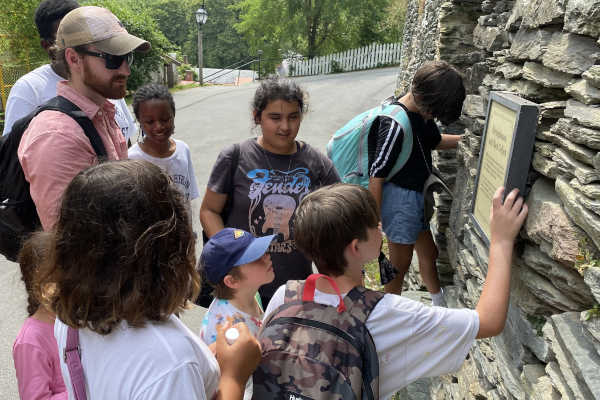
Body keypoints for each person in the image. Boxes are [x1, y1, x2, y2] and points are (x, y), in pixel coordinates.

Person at [263, 183, 528, 398]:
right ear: (356, 248)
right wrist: (501, 241)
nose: (381, 229)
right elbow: (489, 322)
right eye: (375, 226)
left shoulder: (284, 296)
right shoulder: (389, 314)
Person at [36, 159, 261, 399]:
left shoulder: (74, 315)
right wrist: (233, 378)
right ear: (170, 249)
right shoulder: (169, 363)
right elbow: (162, 371)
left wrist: (200, 359)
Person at [200, 77, 340, 307]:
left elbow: (341, 216)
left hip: (296, 290)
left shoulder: (317, 163)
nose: (285, 127)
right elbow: (209, 211)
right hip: (243, 291)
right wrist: (232, 258)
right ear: (257, 116)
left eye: (293, 117)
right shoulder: (235, 156)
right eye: (275, 117)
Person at [18, 5, 149, 231]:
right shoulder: (57, 137)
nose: (126, 70)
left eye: (127, 57)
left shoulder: (103, 113)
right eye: (112, 59)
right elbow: (73, 245)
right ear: (74, 59)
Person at [368, 60, 466, 304]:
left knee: (429, 252)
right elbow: (376, 174)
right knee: (399, 265)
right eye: (434, 112)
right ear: (427, 100)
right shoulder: (394, 124)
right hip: (399, 201)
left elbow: (433, 140)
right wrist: (373, 222)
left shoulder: (422, 114)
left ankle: (438, 304)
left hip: (415, 198)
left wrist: (467, 140)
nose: (434, 117)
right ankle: (389, 314)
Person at [2, 0, 137, 143]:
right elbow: (15, 155)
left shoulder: (104, 80)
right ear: (47, 45)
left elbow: (124, 136)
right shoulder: (29, 89)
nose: (125, 70)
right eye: (66, 35)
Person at [199, 228, 275, 399]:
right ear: (232, 281)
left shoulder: (249, 294)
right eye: (256, 257)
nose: (267, 255)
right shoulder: (229, 332)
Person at [128, 83, 199, 215]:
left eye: (165, 119)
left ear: (173, 115)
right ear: (139, 121)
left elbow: (188, 196)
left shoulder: (183, 150)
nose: (159, 126)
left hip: (183, 230)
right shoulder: (132, 159)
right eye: (150, 122)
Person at [13, 232, 66, 400]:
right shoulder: (30, 341)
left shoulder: (72, 319)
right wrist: (82, 390)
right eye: (55, 284)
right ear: (36, 287)